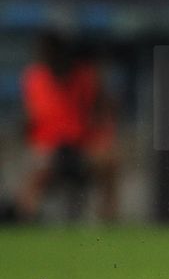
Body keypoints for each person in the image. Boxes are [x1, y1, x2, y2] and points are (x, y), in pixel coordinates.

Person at [16, 32, 119, 223]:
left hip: (81, 146)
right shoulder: (34, 78)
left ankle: (107, 220)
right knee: (35, 170)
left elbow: (102, 113)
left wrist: (103, 139)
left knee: (109, 162)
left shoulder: (85, 77)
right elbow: (29, 120)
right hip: (47, 147)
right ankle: (26, 218)